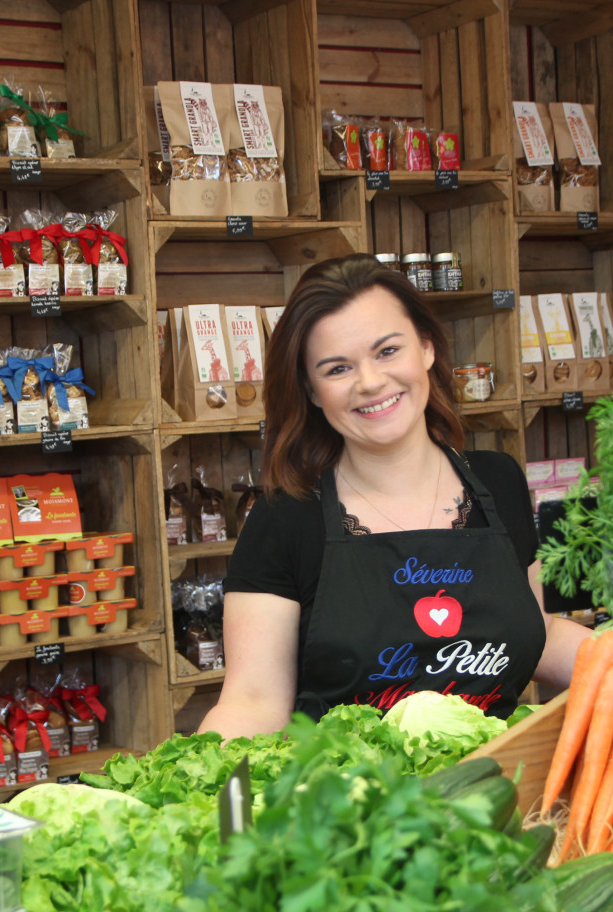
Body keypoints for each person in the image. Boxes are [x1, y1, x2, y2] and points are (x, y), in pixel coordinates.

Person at [199, 254, 591, 739]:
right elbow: (253, 702)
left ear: (426, 348)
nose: (370, 382)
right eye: (338, 368)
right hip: (351, 804)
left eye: (387, 351)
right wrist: (213, 796)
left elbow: (538, 634)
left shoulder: (498, 480)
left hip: (496, 791)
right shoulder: (285, 519)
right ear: (313, 390)